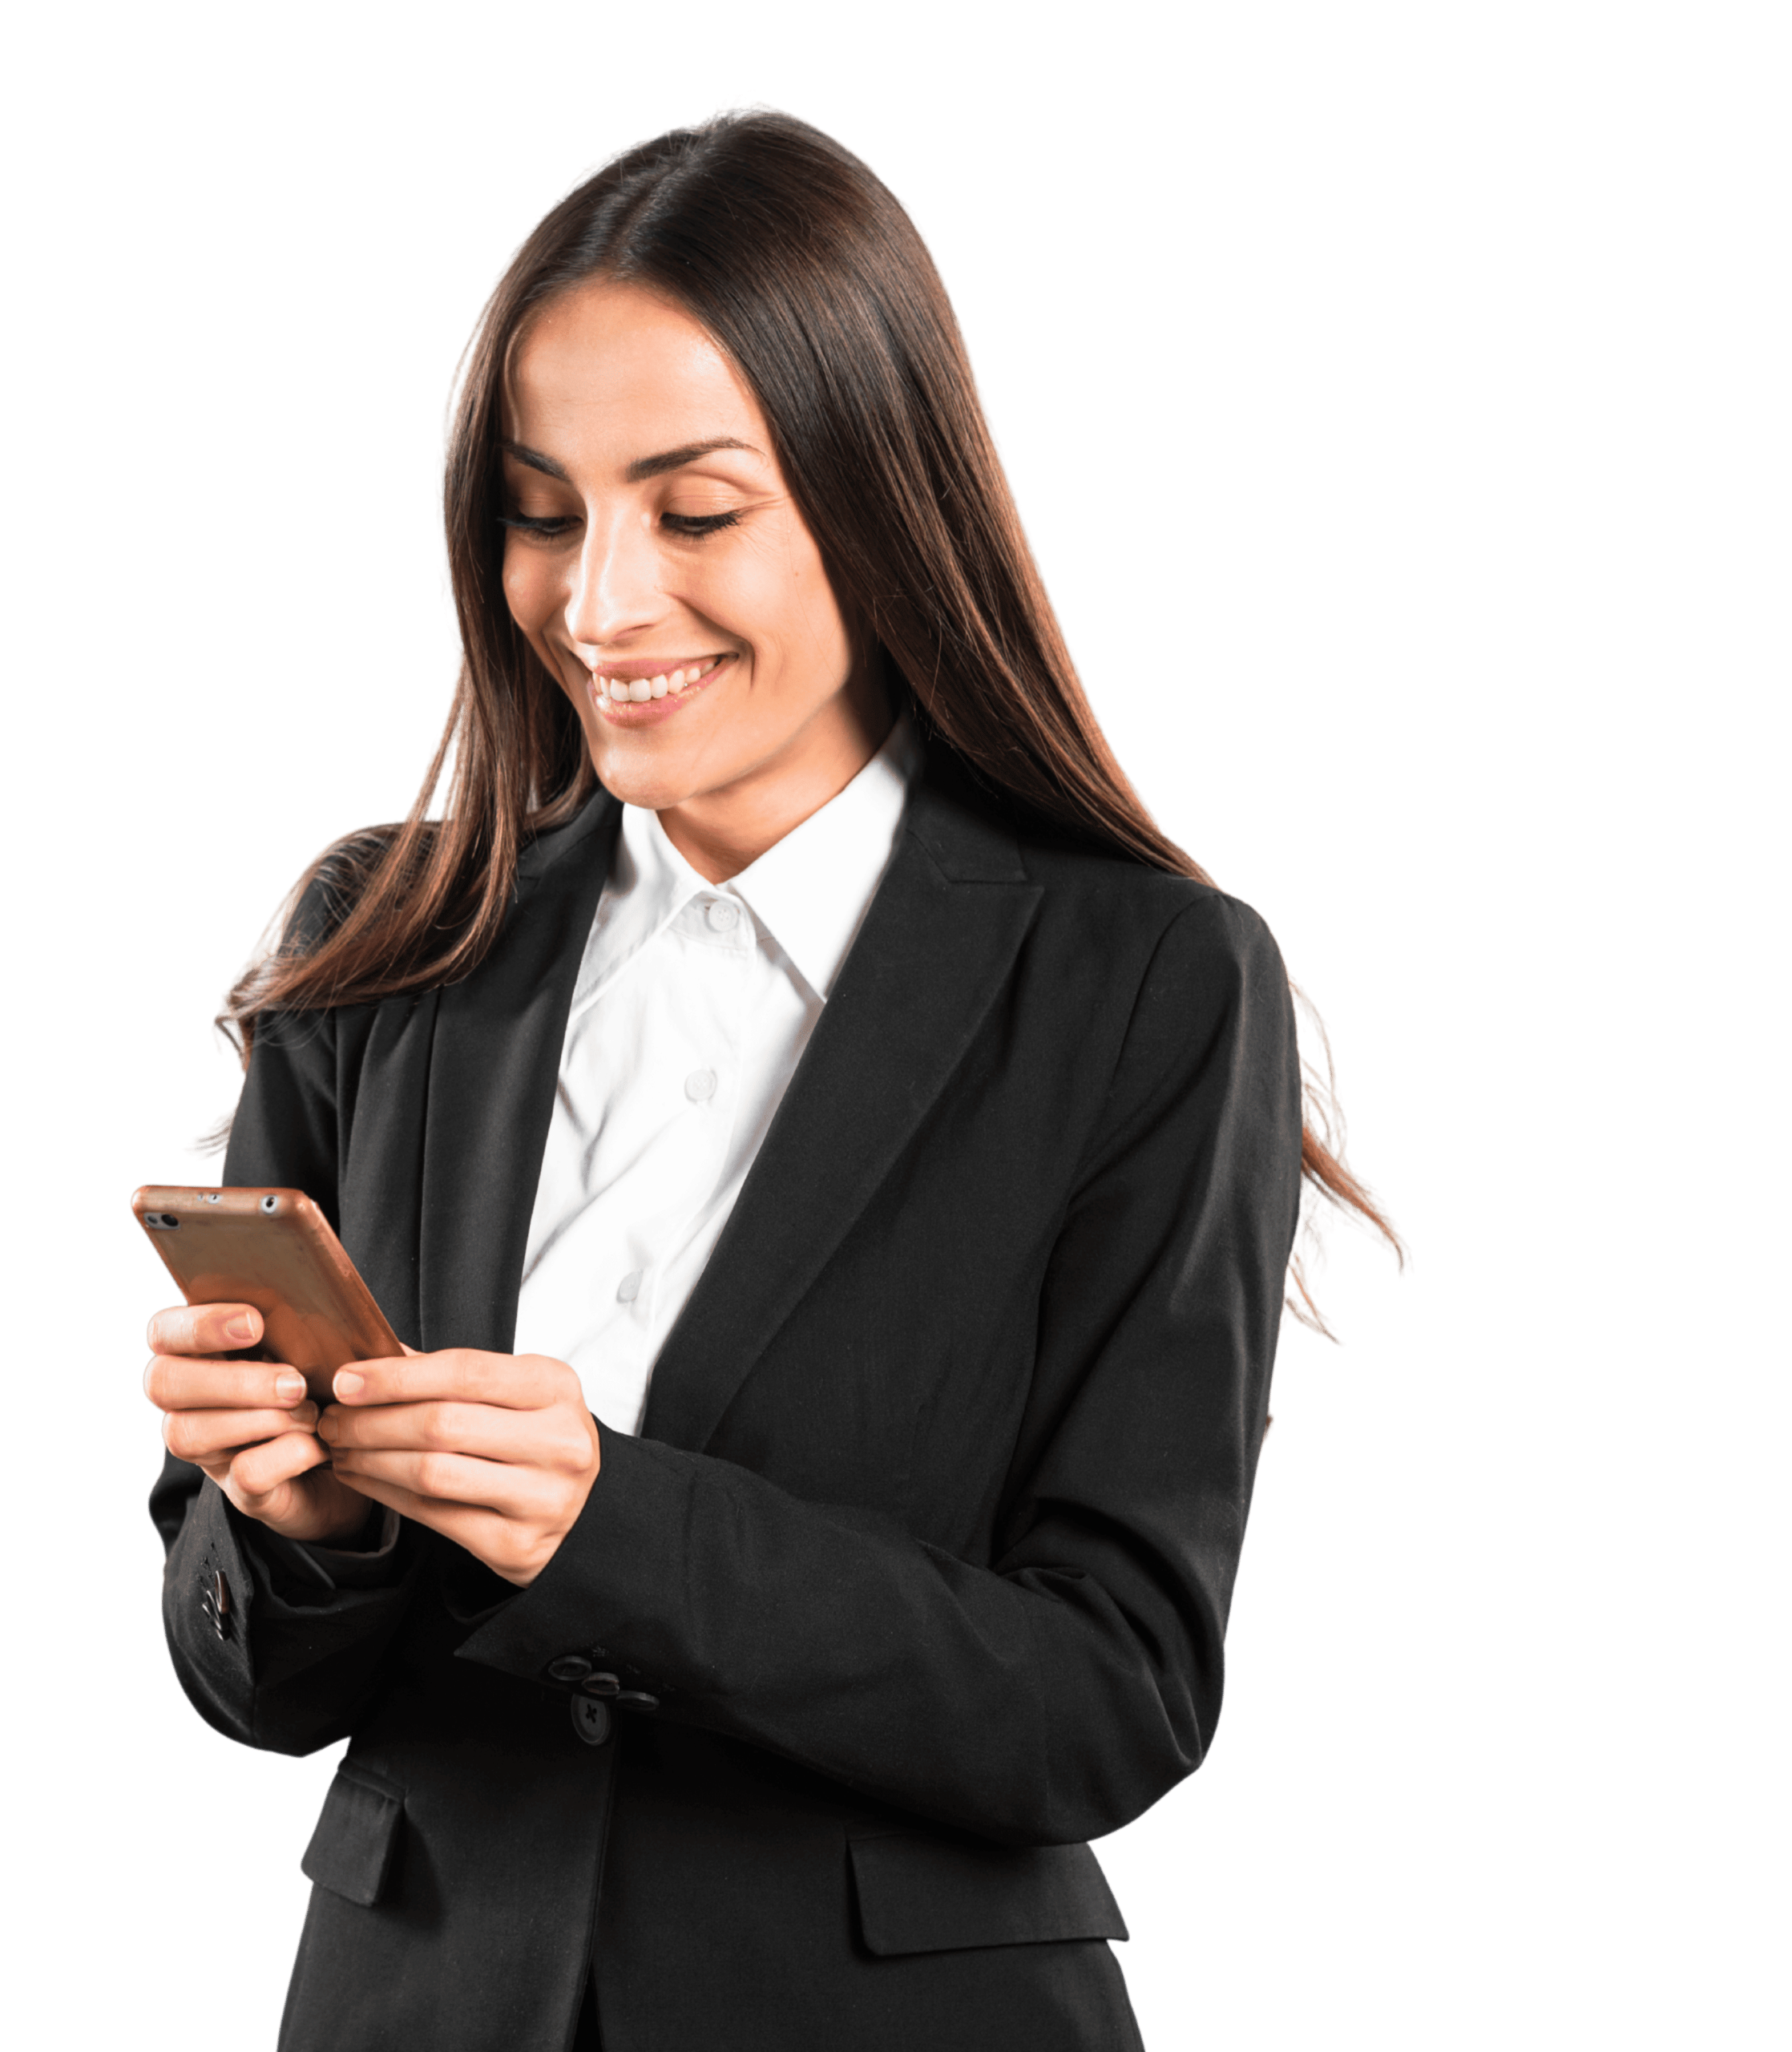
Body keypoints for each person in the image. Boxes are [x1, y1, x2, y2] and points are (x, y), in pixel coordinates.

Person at [142, 99, 1412, 2052]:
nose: (596, 604)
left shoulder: (1146, 978)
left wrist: (608, 1526)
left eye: (694, 510)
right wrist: (299, 1526)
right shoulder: (384, 932)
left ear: (878, 501)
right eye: (543, 510)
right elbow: (253, 1683)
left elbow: (1113, 1697)